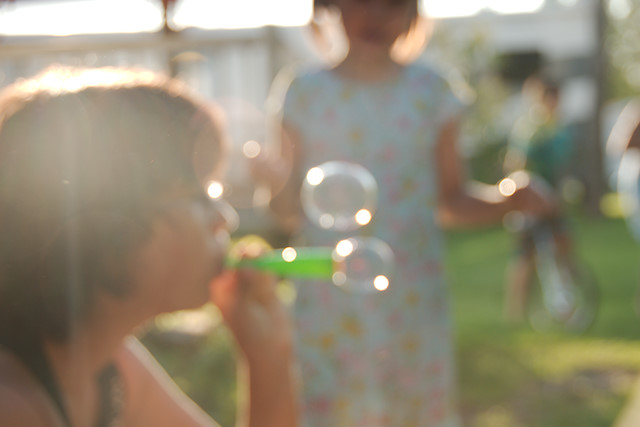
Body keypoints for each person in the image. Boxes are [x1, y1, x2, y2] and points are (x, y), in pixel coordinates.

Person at [262, 0, 558, 425]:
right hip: (329, 299)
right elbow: (288, 211)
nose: (375, 17)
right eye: (361, 2)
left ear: (413, 14)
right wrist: (274, 180)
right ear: (333, 7)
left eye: (392, 5)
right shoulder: (303, 92)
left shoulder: (431, 92)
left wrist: (507, 199)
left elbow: (450, 201)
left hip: (412, 295)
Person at [0, 66, 299, 427]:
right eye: (199, 193)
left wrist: (269, 356)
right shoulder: (13, 406)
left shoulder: (107, 369)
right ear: (112, 222)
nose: (224, 218)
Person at [502, 74, 574, 322]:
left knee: (563, 246)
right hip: (531, 203)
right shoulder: (531, 129)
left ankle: (565, 304)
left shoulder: (558, 128)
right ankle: (516, 312)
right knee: (526, 255)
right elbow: (517, 164)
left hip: (552, 201)